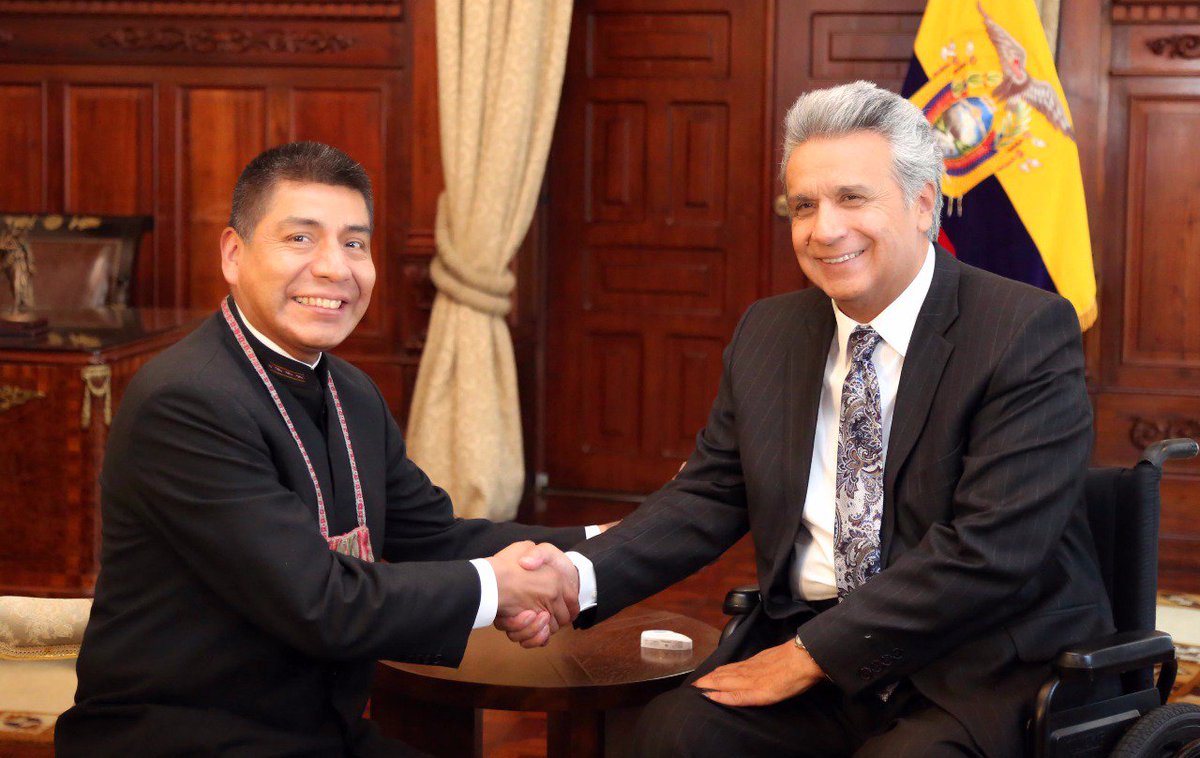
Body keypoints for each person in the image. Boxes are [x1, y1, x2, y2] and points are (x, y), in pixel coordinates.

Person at [502, 81, 1113, 756]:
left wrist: (810, 655)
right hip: (810, 653)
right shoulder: (770, 332)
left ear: (922, 204)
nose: (824, 230)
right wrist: (576, 576)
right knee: (673, 736)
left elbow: (989, 552)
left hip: (974, 665)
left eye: (852, 198)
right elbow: (707, 495)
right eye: (804, 206)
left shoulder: (1022, 331)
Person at [56, 141, 590, 757]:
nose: (336, 268)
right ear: (233, 254)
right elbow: (321, 603)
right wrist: (499, 587)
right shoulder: (185, 400)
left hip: (320, 734)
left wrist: (608, 544)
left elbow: (437, 536)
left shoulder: (351, 391)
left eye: (355, 243)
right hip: (183, 738)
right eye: (300, 238)